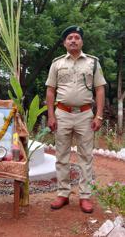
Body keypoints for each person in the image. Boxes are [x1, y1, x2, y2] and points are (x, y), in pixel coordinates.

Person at [45, 25, 106, 213]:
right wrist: (51, 115)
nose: (73, 40)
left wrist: (99, 115)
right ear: (64, 43)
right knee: (61, 156)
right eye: (69, 38)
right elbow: (50, 90)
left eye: (76, 37)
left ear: (82, 42)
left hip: (85, 115)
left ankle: (85, 196)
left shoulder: (93, 63)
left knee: (85, 157)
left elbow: (100, 89)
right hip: (62, 113)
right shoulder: (57, 63)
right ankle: (63, 194)